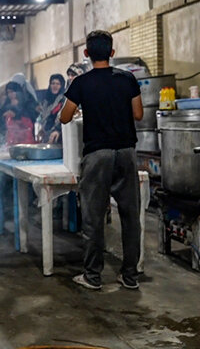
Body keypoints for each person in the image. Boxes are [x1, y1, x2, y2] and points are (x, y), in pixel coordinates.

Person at [60, 30, 143, 291]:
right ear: (112, 53)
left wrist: (85, 107)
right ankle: (129, 276)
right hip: (127, 152)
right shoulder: (128, 79)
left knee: (94, 216)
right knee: (130, 215)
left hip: (98, 155)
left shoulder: (81, 83)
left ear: (86, 54)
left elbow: (64, 117)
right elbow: (138, 114)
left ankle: (93, 276)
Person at [0, 80, 39, 145]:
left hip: (25, 138)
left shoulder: (27, 102)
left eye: (12, 92)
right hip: (10, 139)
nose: (10, 94)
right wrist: (4, 115)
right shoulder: (7, 103)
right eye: (8, 92)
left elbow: (32, 117)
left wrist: (16, 115)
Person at [37, 73, 66, 144]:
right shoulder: (46, 101)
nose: (55, 86)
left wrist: (57, 130)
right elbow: (45, 117)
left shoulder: (64, 100)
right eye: (53, 83)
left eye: (58, 84)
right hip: (47, 135)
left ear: (61, 86)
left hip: (58, 136)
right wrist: (43, 129)